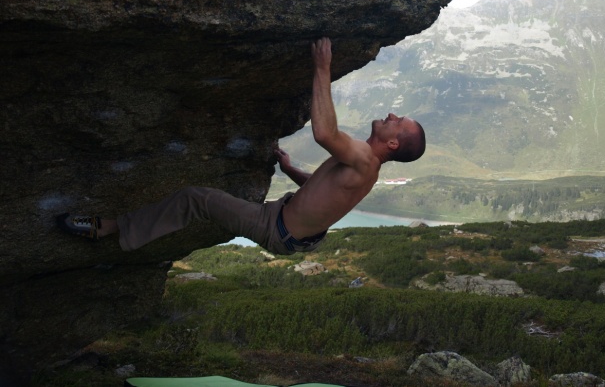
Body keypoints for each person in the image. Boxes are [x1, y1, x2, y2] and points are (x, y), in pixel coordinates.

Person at [57, 37, 426, 255]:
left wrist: (322, 68)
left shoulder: (363, 158)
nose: (392, 113)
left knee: (195, 198)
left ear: (393, 142)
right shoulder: (366, 168)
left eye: (399, 121)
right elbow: (326, 191)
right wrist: (291, 169)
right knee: (213, 205)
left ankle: (107, 228)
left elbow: (325, 134)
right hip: (293, 231)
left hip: (275, 227)